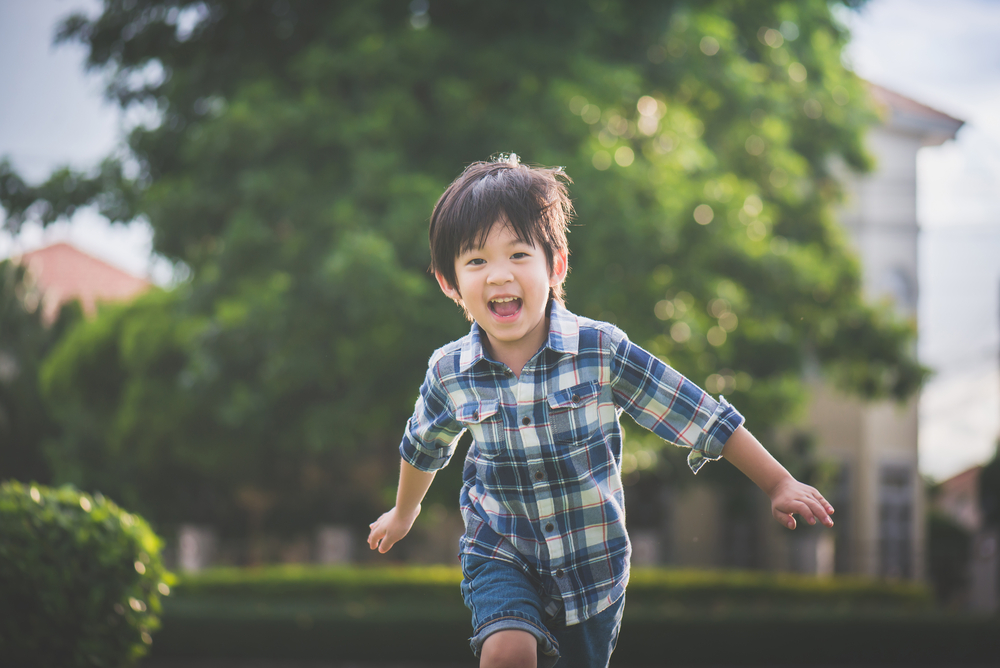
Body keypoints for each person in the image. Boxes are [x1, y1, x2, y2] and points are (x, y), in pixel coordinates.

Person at [367, 155, 835, 668]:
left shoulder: (600, 350)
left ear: (557, 265)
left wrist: (777, 483)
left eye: (519, 254)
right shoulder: (449, 371)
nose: (499, 275)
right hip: (499, 547)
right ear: (449, 282)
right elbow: (423, 445)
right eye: (476, 261)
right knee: (507, 650)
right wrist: (404, 512)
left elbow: (696, 412)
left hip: (593, 566)